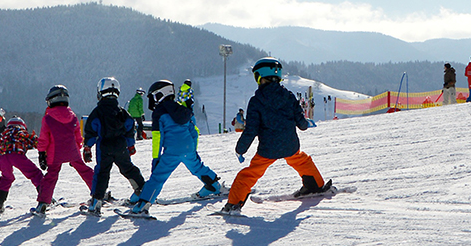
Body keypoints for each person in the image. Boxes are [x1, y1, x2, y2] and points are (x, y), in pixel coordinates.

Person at [219, 58, 331, 215]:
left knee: (250, 173)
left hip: (268, 149)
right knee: (302, 160)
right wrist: (306, 124)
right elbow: (301, 123)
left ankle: (233, 203)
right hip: (290, 145)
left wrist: (240, 149)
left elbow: (251, 130)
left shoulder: (256, 101)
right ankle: (315, 185)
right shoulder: (288, 96)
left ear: (259, 77)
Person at [124, 79, 224, 215]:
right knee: (197, 167)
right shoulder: (181, 109)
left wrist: (156, 158)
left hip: (172, 151)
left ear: (160, 94)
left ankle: (143, 205)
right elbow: (194, 131)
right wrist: (193, 150)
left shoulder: (159, 113)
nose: (153, 100)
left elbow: (158, 138)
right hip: (188, 148)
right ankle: (214, 186)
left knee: (157, 177)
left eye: (154, 96)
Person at [82, 77, 145, 214]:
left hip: (104, 146)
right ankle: (142, 191)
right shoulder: (122, 111)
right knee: (128, 168)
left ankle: (96, 201)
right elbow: (130, 128)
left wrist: (87, 147)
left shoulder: (97, 112)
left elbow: (91, 131)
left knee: (102, 172)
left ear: (100, 92)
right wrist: (130, 145)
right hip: (120, 145)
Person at [34, 84, 96, 215]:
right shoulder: (72, 116)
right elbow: (78, 137)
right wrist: (76, 150)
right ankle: (98, 193)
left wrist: (41, 153)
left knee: (51, 176)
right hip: (72, 151)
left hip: (54, 153)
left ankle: (43, 203)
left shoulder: (48, 118)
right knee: (84, 170)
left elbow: (44, 138)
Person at [0, 115, 43, 214]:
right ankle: (45, 198)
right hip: (17, 155)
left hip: (3, 158)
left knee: (6, 178)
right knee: (35, 174)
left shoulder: (3, 136)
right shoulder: (21, 132)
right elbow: (37, 142)